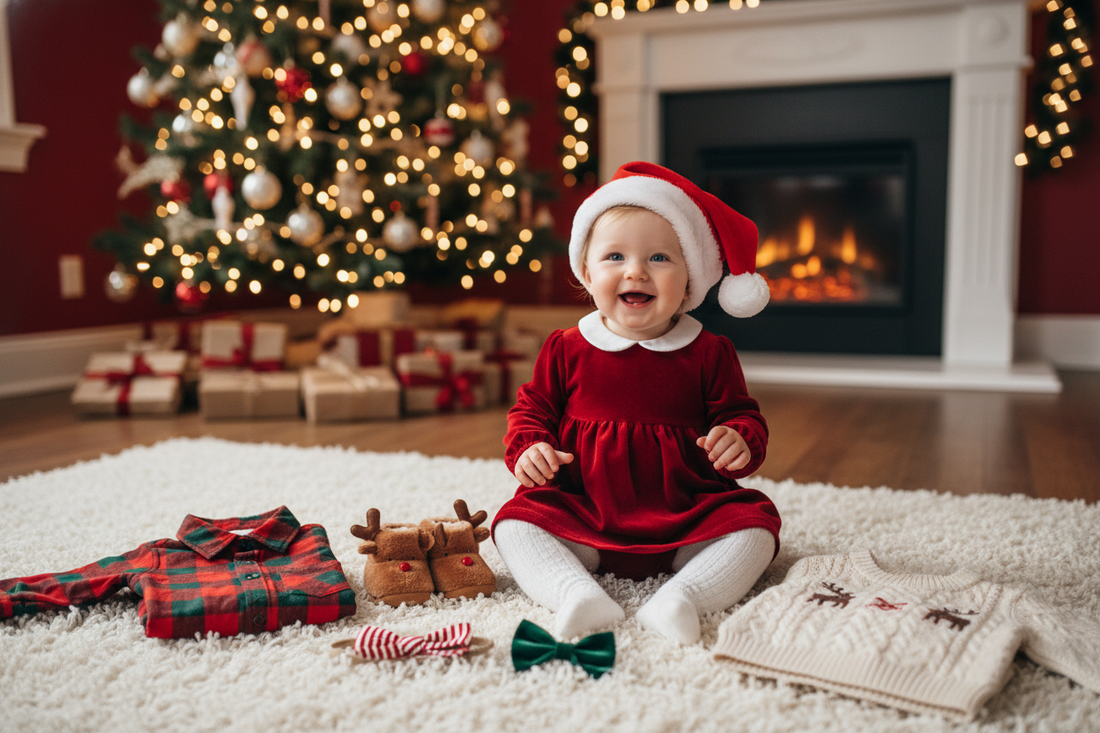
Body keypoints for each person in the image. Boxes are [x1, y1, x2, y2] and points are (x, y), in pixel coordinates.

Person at [491, 161, 781, 645]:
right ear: (587, 273)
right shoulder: (566, 347)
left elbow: (740, 414)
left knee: (756, 529)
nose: (636, 271)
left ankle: (683, 597)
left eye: (660, 258)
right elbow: (532, 409)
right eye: (615, 257)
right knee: (514, 525)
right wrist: (530, 448)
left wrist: (739, 439)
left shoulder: (709, 352)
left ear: (690, 280)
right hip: (583, 510)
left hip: (688, 512)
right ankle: (574, 593)